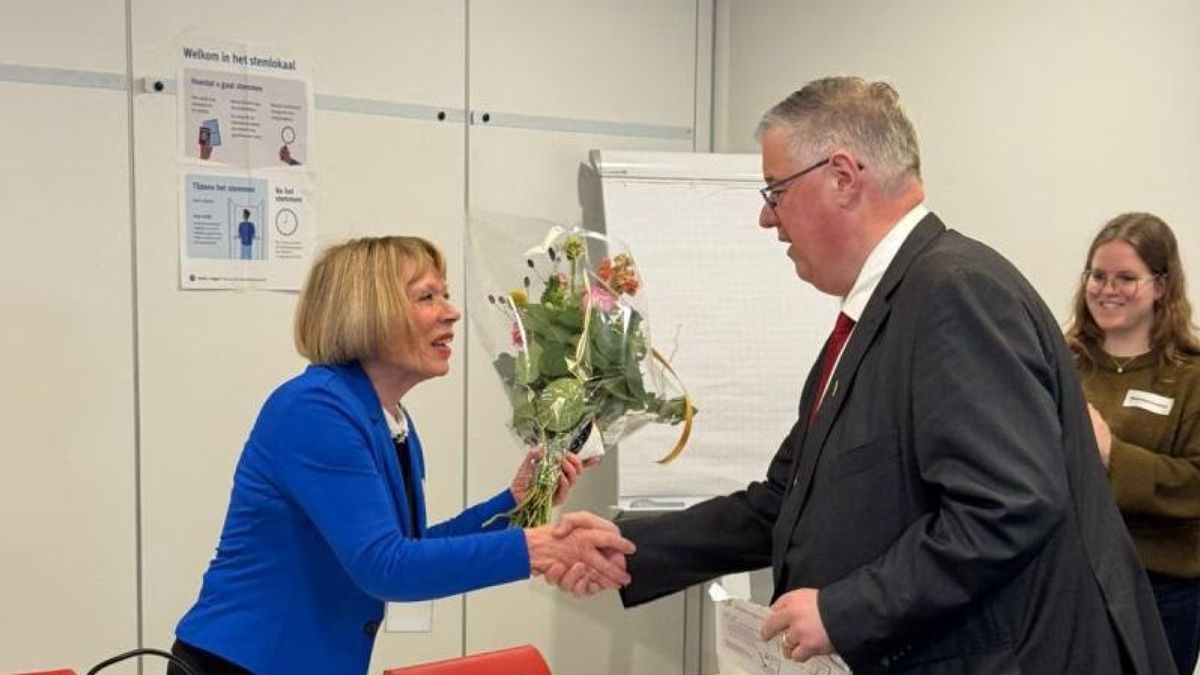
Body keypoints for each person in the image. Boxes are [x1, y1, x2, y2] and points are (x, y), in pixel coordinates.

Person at [549, 77, 1174, 673]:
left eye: (775, 192)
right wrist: (632, 548)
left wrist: (845, 611)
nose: (768, 219)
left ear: (843, 177)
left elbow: (1007, 505)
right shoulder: (881, 312)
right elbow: (787, 503)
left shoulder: (953, 293)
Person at [169, 236, 634, 675]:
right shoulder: (314, 409)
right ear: (368, 311)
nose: (451, 313)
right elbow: (385, 567)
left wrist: (515, 503)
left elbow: (411, 550)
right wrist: (541, 547)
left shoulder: (384, 417)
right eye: (427, 297)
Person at [1066, 212, 1200, 675]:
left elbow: (1195, 485)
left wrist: (1112, 456)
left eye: (1127, 278)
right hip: (1074, 582)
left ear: (1162, 286)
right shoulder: (1063, 362)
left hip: (1161, 591)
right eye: (1098, 276)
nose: (1107, 289)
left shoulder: (1191, 377)